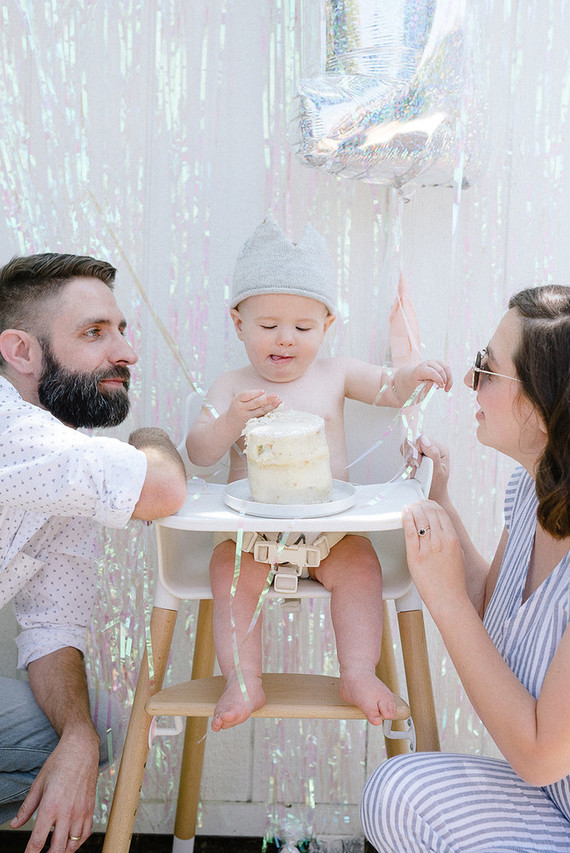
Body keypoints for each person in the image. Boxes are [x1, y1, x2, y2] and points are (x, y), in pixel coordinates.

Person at [186, 216, 452, 733]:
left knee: (363, 567)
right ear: (238, 323)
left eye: (304, 328)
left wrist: (414, 375)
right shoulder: (231, 386)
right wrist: (234, 420)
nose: (285, 340)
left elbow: (390, 390)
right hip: (251, 533)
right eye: (268, 326)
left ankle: (356, 672)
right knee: (228, 572)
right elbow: (198, 451)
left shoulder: (336, 373)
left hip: (331, 532)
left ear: (326, 327)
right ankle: (242, 680)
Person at [360, 284, 570, 853]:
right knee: (395, 791)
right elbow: (493, 608)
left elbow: (538, 754)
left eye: (489, 368)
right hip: (556, 807)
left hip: (547, 785)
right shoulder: (533, 493)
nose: (472, 380)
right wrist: (443, 500)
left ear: (546, 402)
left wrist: (443, 600)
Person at [0, 253, 187, 852]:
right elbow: (163, 488)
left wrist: (77, 737)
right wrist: (151, 440)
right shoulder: (11, 431)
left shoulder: (59, 456)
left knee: (101, 726)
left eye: (122, 330)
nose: (127, 353)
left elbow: (52, 622)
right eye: (94, 333)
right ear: (21, 351)